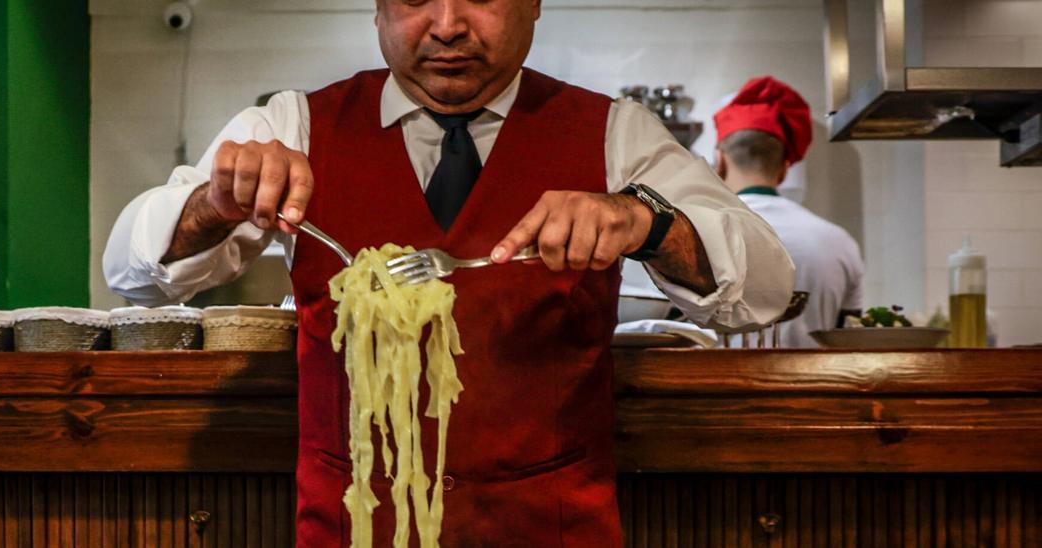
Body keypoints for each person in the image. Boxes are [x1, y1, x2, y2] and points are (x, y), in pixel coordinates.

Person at [106, 1, 794, 544]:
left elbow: (765, 289)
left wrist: (647, 223)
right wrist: (213, 204)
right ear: (377, 10)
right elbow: (135, 271)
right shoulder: (295, 122)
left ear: (533, 4)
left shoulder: (617, 134)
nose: (446, 25)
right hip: (355, 530)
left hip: (550, 533)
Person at [713, 76, 865, 348]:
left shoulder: (697, 234)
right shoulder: (840, 242)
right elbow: (850, 339)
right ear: (784, 168)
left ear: (720, 161)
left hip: (716, 388)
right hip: (818, 390)